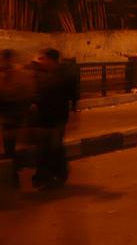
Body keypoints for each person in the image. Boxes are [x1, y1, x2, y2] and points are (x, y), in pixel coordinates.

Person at [30, 49, 79, 189]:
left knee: (54, 147)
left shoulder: (64, 76)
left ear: (52, 60)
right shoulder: (44, 74)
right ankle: (48, 175)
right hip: (44, 117)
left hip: (58, 118)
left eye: (44, 59)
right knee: (46, 147)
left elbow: (73, 96)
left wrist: (75, 114)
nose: (42, 62)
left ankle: (55, 175)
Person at [0, 50, 32, 188]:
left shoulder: (17, 74)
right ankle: (14, 172)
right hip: (12, 115)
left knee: (13, 145)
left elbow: (24, 93)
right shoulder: (15, 74)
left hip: (14, 115)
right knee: (12, 145)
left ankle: (14, 173)